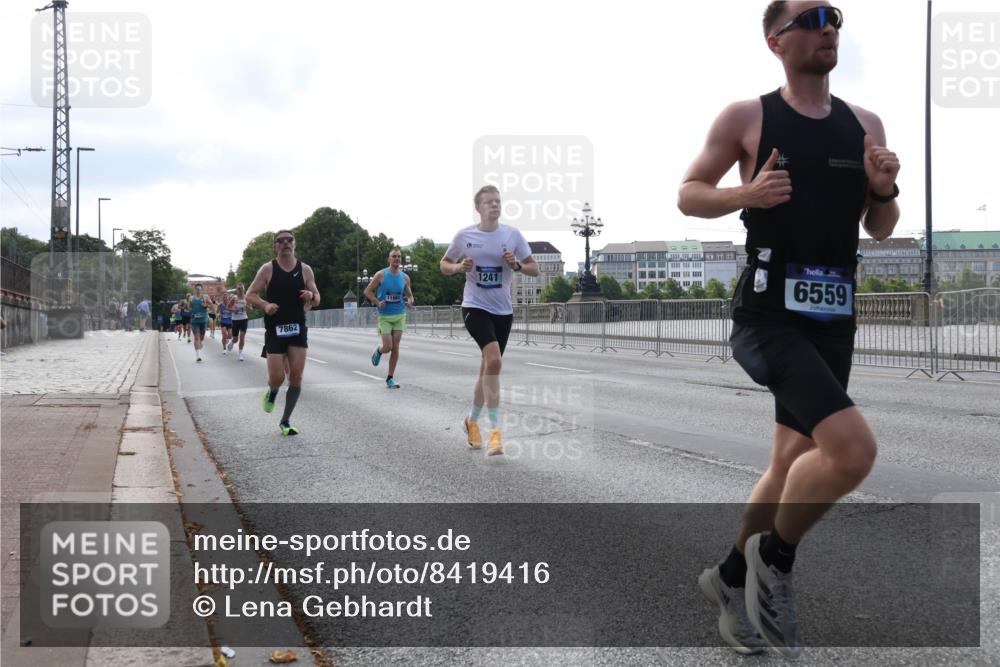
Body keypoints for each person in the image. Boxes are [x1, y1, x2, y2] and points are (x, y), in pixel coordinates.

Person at [678, 2, 900, 658]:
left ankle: (729, 578)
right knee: (852, 452)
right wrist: (743, 195)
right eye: (812, 17)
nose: (828, 26)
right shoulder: (748, 117)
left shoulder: (865, 124)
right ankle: (774, 558)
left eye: (835, 17)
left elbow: (879, 228)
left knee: (788, 461)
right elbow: (689, 192)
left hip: (833, 316)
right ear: (776, 40)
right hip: (769, 315)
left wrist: (883, 190)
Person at [440, 185, 538, 456]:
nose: (495, 205)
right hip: (474, 306)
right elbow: (444, 264)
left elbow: (534, 268)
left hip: (503, 311)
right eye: (489, 202)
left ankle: (471, 421)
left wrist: (516, 264)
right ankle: (495, 433)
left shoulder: (512, 235)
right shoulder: (465, 236)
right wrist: (458, 267)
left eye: (497, 201)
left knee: (488, 369)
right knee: (494, 361)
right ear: (478, 208)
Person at [246, 230, 321, 436]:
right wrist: (265, 305)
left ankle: (285, 420)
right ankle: (272, 391)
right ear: (275, 246)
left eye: (289, 240)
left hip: (297, 327)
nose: (286, 243)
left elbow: (317, 298)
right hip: (275, 329)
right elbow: (250, 294)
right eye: (281, 241)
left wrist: (311, 295)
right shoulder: (268, 269)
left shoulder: (305, 269)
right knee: (277, 377)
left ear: (295, 244)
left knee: (296, 377)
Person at [364, 248, 414, 388]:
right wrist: (377, 302)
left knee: (396, 347)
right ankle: (379, 351)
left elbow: (410, 295)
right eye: (394, 256)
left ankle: (390, 378)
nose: (397, 259)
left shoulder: (405, 277)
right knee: (388, 346)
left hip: (400, 315)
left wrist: (410, 301)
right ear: (389, 259)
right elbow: (367, 291)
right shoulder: (381, 275)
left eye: (399, 256)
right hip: (385, 316)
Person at [189, 284, 211, 362]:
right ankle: (198, 355)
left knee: (202, 337)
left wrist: (206, 305)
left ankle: (200, 342)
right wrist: (190, 305)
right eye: (197, 289)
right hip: (194, 320)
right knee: (196, 337)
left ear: (201, 290)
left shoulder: (205, 297)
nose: (198, 290)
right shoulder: (191, 298)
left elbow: (211, 304)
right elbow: (189, 307)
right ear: (195, 290)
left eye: (199, 289)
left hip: (203, 320)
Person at [230, 284, 249, 361]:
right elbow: (228, 307)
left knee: (242, 336)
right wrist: (233, 310)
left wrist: (247, 307)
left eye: (241, 289)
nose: (240, 291)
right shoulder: (234, 298)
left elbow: (251, 308)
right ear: (237, 290)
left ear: (243, 290)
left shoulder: (246, 298)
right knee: (235, 339)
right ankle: (232, 342)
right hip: (235, 320)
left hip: (244, 319)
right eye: (239, 289)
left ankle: (240, 353)